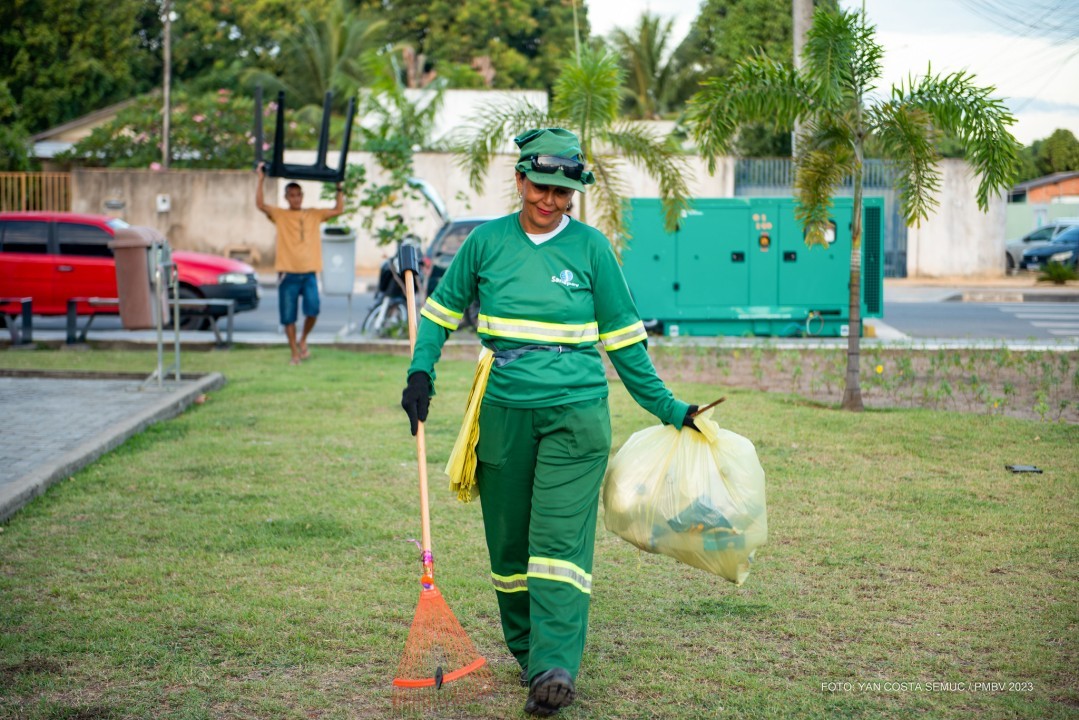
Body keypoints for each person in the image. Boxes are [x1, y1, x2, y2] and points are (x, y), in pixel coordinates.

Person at [400, 128, 698, 717]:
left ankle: (555, 666)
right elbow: (438, 313)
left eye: (564, 192)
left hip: (576, 415)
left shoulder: (591, 251)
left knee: (558, 546)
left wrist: (670, 409)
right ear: (519, 180)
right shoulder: (485, 243)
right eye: (541, 187)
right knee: (510, 550)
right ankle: (530, 655)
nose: (551, 201)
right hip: (503, 414)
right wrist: (420, 373)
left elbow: (625, 345)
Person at [255, 163, 344, 365]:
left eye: (298, 195)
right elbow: (260, 205)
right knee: (288, 317)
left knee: (313, 310)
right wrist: (260, 179)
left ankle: (303, 339)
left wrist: (338, 187)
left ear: (302, 196)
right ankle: (294, 353)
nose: (295, 198)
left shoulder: (314, 214)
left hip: (310, 273)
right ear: (286, 197)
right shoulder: (280, 214)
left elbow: (339, 209)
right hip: (288, 274)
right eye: (291, 195)